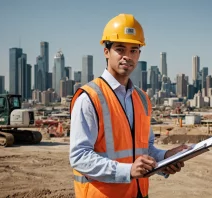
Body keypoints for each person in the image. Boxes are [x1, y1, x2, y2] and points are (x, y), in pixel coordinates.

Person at [69, 13, 187, 198]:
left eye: (134, 50)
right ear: (106, 51)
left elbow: (144, 149)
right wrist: (127, 171)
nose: (127, 56)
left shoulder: (141, 99)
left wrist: (166, 157)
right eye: (120, 49)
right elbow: (79, 157)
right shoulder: (89, 98)